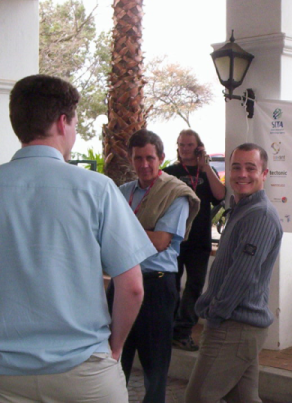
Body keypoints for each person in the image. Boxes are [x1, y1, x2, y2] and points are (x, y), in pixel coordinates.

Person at [0, 74, 155, 402]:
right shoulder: (97, 189)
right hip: (84, 371)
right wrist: (114, 348)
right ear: (62, 122)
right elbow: (132, 286)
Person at [185, 143, 283, 403]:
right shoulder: (243, 209)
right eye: (236, 167)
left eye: (251, 168)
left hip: (234, 326)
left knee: (198, 398)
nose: (242, 174)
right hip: (238, 325)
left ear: (264, 174)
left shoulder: (259, 215)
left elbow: (243, 276)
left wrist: (216, 313)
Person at [109, 129, 200, 403]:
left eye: (150, 158)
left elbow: (160, 241)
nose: (144, 164)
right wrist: (137, 231)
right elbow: (104, 233)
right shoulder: (123, 192)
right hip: (121, 284)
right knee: (114, 362)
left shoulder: (175, 194)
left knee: (155, 367)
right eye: (138, 158)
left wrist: (121, 231)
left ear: (161, 158)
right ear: (130, 159)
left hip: (157, 287)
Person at [164, 129, 225, 351]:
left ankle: (183, 332)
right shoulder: (170, 173)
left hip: (199, 240)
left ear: (198, 147)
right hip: (174, 239)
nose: (185, 149)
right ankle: (167, 330)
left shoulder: (206, 173)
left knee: (195, 286)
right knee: (171, 286)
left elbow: (220, 195)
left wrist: (206, 166)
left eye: (190, 145)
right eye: (181, 145)